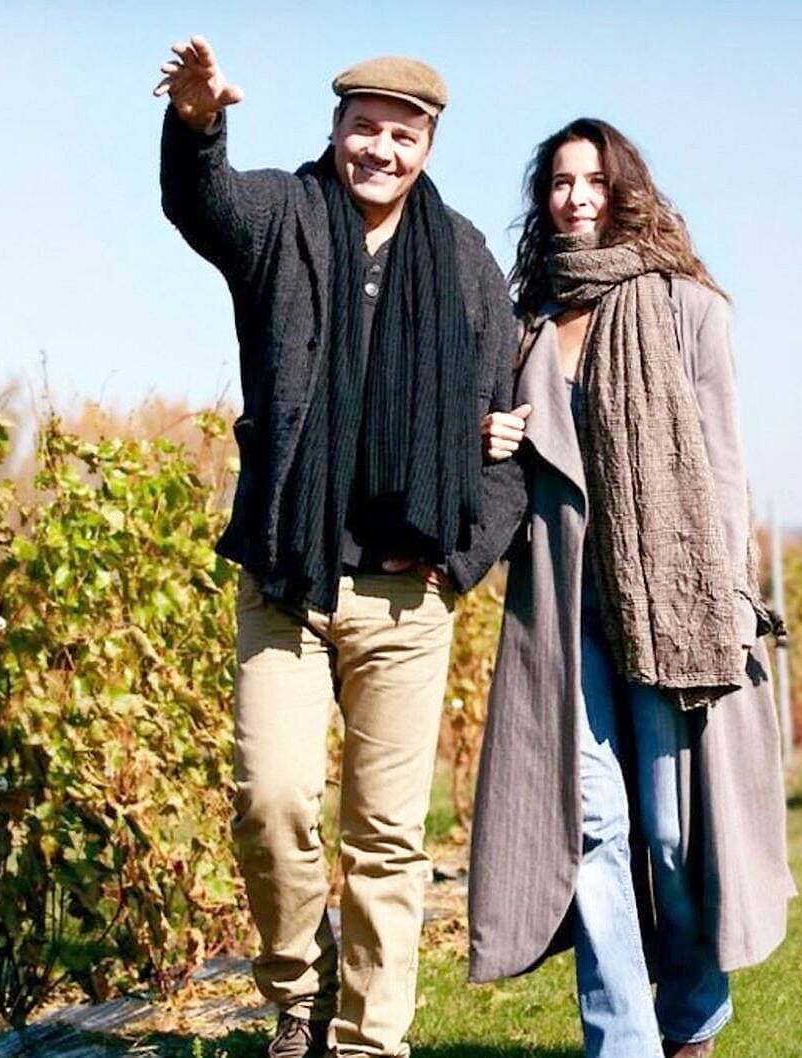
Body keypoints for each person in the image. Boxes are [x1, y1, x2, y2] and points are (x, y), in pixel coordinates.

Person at [155, 37, 525, 1058]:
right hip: (290, 574)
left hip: (407, 597)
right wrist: (196, 124)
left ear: (428, 144)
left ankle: (370, 1036)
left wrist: (461, 557)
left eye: (402, 135)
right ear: (336, 129)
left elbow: (511, 432)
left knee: (385, 840)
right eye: (365, 127)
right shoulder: (280, 217)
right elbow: (201, 202)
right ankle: (292, 991)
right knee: (271, 801)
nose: (380, 149)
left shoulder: (462, 261)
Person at [468, 118, 795, 1058]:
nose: (573, 197)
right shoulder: (527, 321)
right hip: (565, 613)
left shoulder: (690, 309)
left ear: (624, 190)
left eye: (591, 180)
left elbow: (725, 466)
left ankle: (692, 1015)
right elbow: (510, 449)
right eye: (559, 182)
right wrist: (493, 441)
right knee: (593, 828)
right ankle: (624, 1041)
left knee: (671, 832)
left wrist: (729, 595)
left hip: (674, 603)